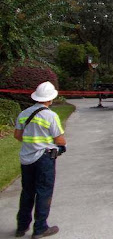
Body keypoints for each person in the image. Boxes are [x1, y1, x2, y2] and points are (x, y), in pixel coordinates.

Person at [13, 81, 66, 239]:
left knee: (27, 192)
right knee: (44, 192)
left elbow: (17, 136)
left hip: (27, 159)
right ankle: (40, 228)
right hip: (44, 159)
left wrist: (33, 141)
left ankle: (21, 227)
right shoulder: (50, 116)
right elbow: (60, 140)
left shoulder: (24, 114)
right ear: (50, 99)